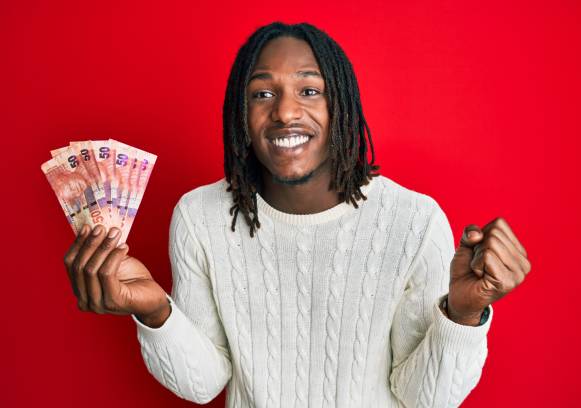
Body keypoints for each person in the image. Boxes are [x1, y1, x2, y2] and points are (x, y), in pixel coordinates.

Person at [63, 21, 531, 407]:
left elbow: (423, 398)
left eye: (310, 90)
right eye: (262, 94)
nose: (286, 112)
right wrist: (155, 311)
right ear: (239, 114)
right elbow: (203, 383)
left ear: (341, 105)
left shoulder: (413, 221)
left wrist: (464, 313)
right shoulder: (200, 216)